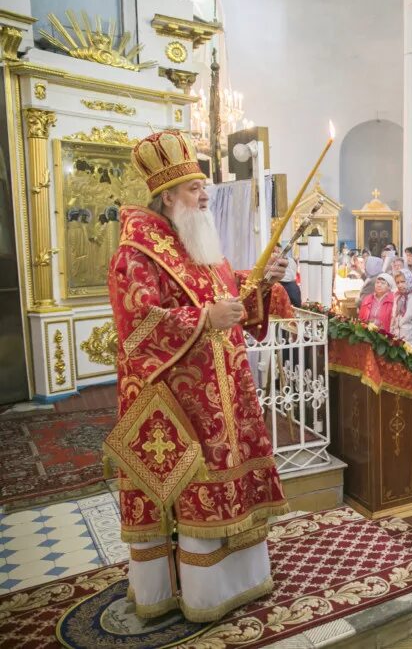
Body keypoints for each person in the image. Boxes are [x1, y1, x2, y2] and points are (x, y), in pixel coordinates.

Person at [106, 130, 289, 622]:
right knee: (190, 491)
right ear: (167, 196)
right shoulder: (137, 253)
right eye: (194, 188)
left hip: (227, 395)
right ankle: (197, 592)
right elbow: (137, 329)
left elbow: (228, 304)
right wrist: (205, 319)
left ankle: (241, 580)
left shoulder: (198, 243)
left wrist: (263, 282)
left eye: (203, 186)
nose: (205, 195)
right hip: (180, 405)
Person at [391, 269, 412, 344]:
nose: (400, 285)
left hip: (411, 341)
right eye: (397, 282)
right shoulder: (397, 296)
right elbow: (394, 318)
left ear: (409, 280)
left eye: (403, 282)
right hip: (397, 340)